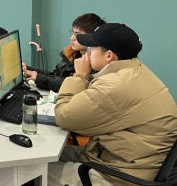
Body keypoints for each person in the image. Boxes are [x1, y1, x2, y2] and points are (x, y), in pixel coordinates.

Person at [49, 23, 177, 186]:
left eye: (91, 48)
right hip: (130, 161)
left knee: (31, 173)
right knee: (44, 156)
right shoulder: (135, 69)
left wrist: (80, 76)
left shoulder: (114, 86)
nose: (87, 52)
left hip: (122, 176)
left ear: (109, 55)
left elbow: (64, 116)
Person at [22, 13, 106, 92]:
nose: (72, 38)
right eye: (72, 33)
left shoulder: (98, 63)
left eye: (77, 34)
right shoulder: (71, 53)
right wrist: (28, 69)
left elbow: (72, 84)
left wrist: (39, 78)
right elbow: (55, 76)